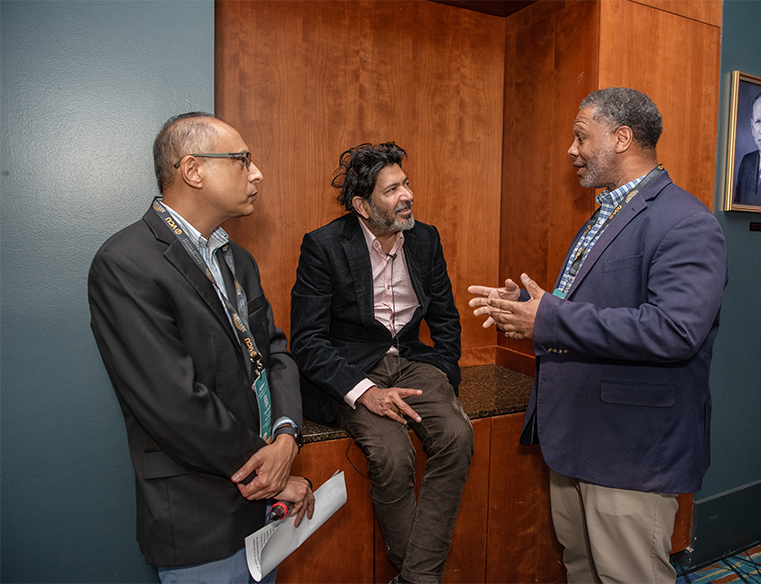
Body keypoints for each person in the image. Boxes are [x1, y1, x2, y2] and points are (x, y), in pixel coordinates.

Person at [468, 88, 728, 583]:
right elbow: (600, 310)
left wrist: (547, 319)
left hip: (631, 451)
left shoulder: (688, 224)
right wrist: (530, 310)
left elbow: (675, 331)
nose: (572, 149)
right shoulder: (606, 213)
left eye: (581, 137)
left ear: (622, 138)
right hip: (579, 438)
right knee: (582, 569)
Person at [88, 112, 314, 583]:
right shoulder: (125, 263)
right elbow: (174, 403)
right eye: (241, 160)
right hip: (201, 520)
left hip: (264, 511)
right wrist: (269, 470)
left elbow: (274, 354)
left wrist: (288, 437)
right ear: (193, 170)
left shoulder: (238, 259)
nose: (257, 173)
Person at [290, 142, 473, 584]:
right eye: (392, 190)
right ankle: (421, 575)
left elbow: (446, 318)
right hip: (353, 372)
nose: (407, 195)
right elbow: (308, 341)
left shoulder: (425, 239)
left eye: (405, 184)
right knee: (392, 454)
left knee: (457, 434)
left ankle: (413, 577)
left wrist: (445, 369)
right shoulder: (324, 246)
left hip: (412, 362)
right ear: (362, 205)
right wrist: (365, 392)